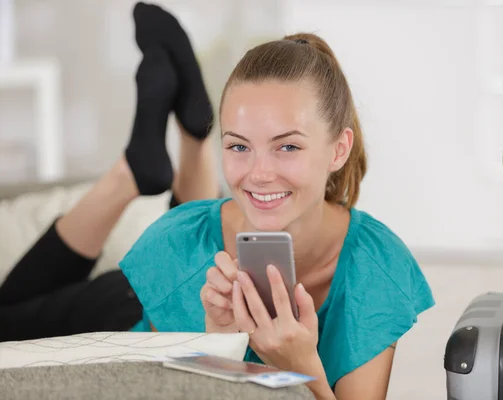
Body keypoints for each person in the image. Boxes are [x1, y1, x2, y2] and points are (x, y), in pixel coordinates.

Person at [119, 11, 435, 400]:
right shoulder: (174, 247)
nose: (259, 174)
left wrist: (300, 367)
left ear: (339, 150)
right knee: (23, 311)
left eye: (287, 146)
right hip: (110, 310)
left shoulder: (376, 269)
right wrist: (219, 349)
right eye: (238, 146)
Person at [0, 2, 219, 341]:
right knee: (195, 265)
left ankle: (161, 156)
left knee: (5, 320)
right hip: (153, 293)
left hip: (140, 306)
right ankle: (168, 151)